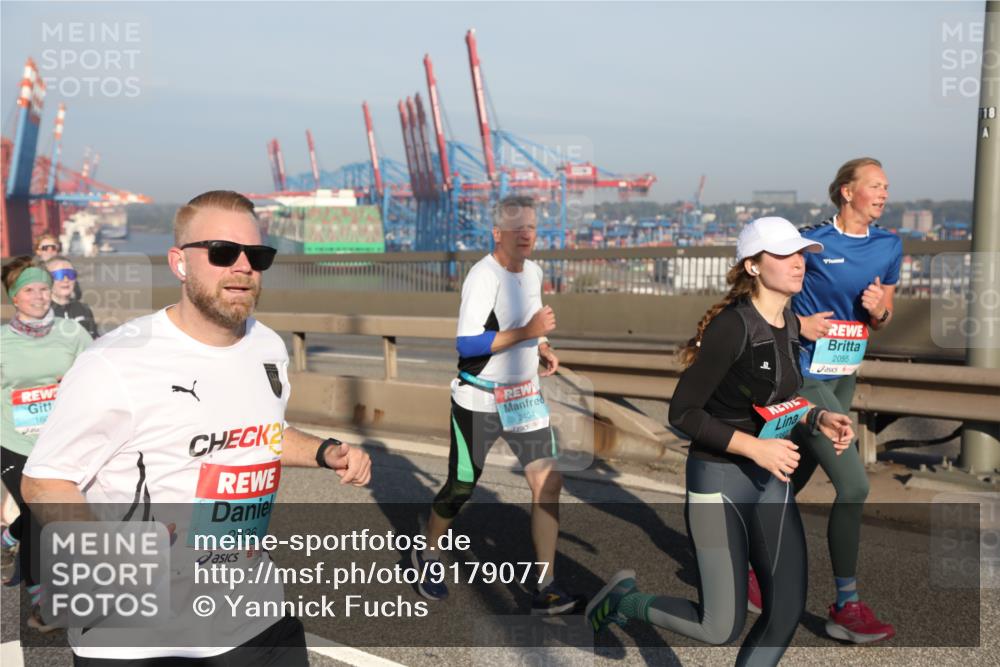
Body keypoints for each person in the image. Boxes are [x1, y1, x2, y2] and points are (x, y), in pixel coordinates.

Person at [22, 190, 372, 666]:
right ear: (179, 263)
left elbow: (257, 432)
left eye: (258, 255)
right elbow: (43, 479)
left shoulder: (267, 346)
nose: (243, 267)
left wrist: (324, 450)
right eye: (223, 253)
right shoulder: (116, 363)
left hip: (256, 614)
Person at [586, 218, 855, 667]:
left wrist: (817, 416)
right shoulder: (732, 328)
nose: (798, 262)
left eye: (800, 253)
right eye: (785, 254)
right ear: (752, 266)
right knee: (719, 627)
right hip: (719, 481)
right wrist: (756, 449)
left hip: (770, 480)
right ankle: (623, 603)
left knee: (784, 611)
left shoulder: (788, 321)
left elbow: (777, 398)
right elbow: (683, 412)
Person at [410, 195, 578, 615]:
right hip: (479, 396)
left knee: (549, 484)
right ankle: (427, 553)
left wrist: (542, 345)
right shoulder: (482, 276)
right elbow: (467, 343)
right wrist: (529, 332)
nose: (526, 235)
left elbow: (530, 314)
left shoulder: (534, 271)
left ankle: (545, 586)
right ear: (497, 233)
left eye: (533, 227)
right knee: (462, 486)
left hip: (523, 397)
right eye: (517, 227)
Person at [782, 157, 900, 643]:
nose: (884, 193)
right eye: (875, 185)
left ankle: (752, 561)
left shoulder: (889, 245)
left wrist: (880, 311)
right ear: (847, 192)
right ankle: (846, 605)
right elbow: (761, 298)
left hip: (844, 375)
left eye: (887, 187)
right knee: (853, 485)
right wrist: (799, 326)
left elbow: (885, 313)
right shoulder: (810, 242)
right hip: (806, 375)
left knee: (797, 474)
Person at [1, 256, 92, 629]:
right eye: (29, 290)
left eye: (43, 288)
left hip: (59, 441)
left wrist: (66, 384)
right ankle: (42, 604)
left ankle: (10, 534)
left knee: (38, 516)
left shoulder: (73, 334)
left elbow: (96, 377)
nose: (39, 296)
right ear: (14, 298)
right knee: (39, 515)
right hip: (12, 440)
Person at [45, 256, 99, 338]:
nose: (66, 280)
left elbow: (94, 339)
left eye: (70, 274)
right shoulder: (41, 312)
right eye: (60, 274)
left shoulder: (83, 309)